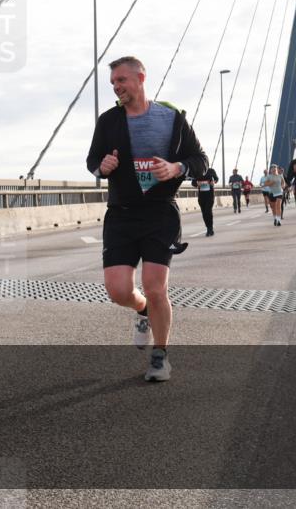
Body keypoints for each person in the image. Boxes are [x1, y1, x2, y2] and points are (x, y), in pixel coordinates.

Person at [86, 55, 209, 383]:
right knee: (118, 290)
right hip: (122, 214)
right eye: (113, 83)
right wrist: (103, 168)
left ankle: (160, 356)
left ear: (141, 78)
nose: (117, 87)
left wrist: (175, 168)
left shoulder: (171, 117)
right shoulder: (108, 120)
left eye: (122, 81)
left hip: (159, 213)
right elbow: (92, 161)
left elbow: (200, 160)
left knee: (156, 287)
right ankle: (141, 312)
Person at [191, 166, 218, 236]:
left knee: (208, 211)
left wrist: (213, 182)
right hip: (201, 196)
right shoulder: (197, 171)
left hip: (210, 195)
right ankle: (208, 227)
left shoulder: (211, 171)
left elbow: (216, 179)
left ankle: (210, 229)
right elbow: (193, 183)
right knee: (204, 213)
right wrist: (197, 184)